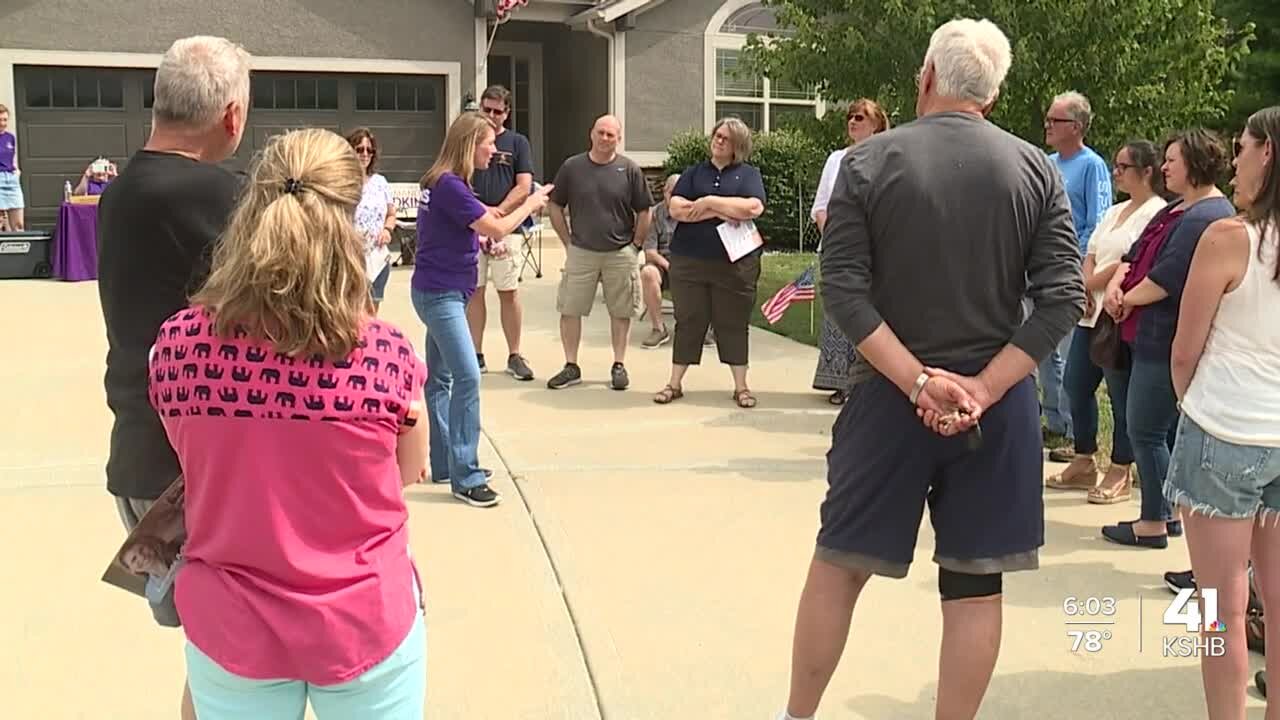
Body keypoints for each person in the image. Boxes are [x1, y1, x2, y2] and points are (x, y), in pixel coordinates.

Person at [778, 18, 1084, 720]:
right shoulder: (1036, 167)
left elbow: (844, 289)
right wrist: (982, 385)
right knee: (975, 588)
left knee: (841, 563)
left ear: (925, 77)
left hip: (887, 397)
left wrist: (917, 379)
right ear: (994, 95)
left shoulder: (867, 163)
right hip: (996, 404)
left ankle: (796, 715)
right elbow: (1064, 295)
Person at [149, 127, 429, 719]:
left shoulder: (178, 345)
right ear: (350, 217)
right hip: (362, 623)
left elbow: (185, 446)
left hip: (232, 624)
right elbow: (406, 473)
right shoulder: (383, 354)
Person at [96, 35, 250, 720]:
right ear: (232, 117)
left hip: (139, 460)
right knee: (234, 665)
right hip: (199, 475)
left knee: (216, 657)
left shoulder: (119, 191)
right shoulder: (231, 198)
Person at [1165, 106, 1279, 719]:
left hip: (1224, 430)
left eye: (1243, 147)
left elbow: (1186, 349)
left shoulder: (1229, 238)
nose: (1234, 161)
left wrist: (1192, 402)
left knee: (1218, 606)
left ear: (1269, 154)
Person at [1099, 129, 1235, 549]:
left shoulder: (1206, 216)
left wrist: (1125, 301)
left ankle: (1156, 520)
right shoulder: (1178, 209)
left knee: (1145, 429)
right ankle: (1166, 514)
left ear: (1193, 163)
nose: (1165, 167)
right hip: (1146, 333)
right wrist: (1118, 284)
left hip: (1166, 339)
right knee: (1152, 429)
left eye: (1173, 159)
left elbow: (1168, 278)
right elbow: (1135, 253)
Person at [412, 112, 552, 507]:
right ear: (469, 144)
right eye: (489, 143)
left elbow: (479, 224)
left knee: (439, 380)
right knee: (468, 377)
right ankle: (467, 476)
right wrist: (533, 202)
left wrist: (486, 240)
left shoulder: (446, 183)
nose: (496, 151)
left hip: (442, 291)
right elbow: (497, 226)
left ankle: (446, 463)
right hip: (441, 296)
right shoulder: (450, 185)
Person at [1045, 140, 1167, 502]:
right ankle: (1084, 458)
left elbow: (1129, 259)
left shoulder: (1155, 213)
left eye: (1123, 167)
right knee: (1076, 384)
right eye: (1115, 166)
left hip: (1118, 315)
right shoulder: (1116, 211)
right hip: (1089, 313)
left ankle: (1120, 468)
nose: (1116, 173)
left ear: (1146, 172)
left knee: (1119, 393)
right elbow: (1094, 251)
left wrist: (1092, 285)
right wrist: (1083, 287)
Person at [653, 118, 767, 409]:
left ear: (737, 146)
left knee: (733, 323)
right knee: (689, 320)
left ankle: (741, 387)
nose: (718, 141)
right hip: (689, 260)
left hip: (735, 264)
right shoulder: (694, 172)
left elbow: (753, 207)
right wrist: (726, 209)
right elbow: (676, 208)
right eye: (717, 135)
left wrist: (709, 202)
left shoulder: (748, 174)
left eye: (725, 139)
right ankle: (674, 383)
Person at [545, 115, 653, 391]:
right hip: (581, 251)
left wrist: (636, 246)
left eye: (611, 135)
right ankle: (571, 366)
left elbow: (644, 210)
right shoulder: (573, 167)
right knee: (570, 309)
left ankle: (619, 364)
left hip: (620, 252)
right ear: (591, 134)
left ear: (619, 138)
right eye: (601, 133)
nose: (605, 139)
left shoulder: (629, 170)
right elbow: (555, 206)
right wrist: (567, 242)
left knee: (621, 310)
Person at [1039, 91, 1113, 450]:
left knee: (1069, 357)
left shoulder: (1091, 166)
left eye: (1056, 120)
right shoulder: (1046, 163)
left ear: (1077, 127)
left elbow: (1097, 224)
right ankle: (1053, 420)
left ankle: (1073, 433)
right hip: (1040, 269)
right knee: (1042, 353)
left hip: (1071, 270)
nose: (1048, 125)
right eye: (1048, 118)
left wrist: (1082, 277)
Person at [810, 99, 891, 404]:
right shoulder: (836, 159)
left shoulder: (887, 156)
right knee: (838, 313)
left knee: (869, 314)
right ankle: (838, 381)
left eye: (861, 117)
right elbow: (821, 206)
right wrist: (835, 236)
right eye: (850, 117)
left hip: (875, 250)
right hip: (835, 248)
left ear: (877, 123)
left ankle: (868, 380)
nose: (853, 121)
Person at [468, 85, 536, 381]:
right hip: (471, 229)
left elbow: (524, 186)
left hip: (508, 230)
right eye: (487, 110)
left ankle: (514, 355)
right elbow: (458, 179)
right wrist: (482, 215)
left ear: (507, 112)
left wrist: (498, 214)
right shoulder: (467, 141)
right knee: (475, 291)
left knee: (508, 292)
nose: (492, 116)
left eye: (498, 111)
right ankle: (475, 355)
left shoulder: (518, 143)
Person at [347, 128, 396, 313]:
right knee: (350, 312)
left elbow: (391, 214)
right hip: (350, 257)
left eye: (369, 150)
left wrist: (387, 230)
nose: (365, 154)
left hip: (377, 258)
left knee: (371, 314)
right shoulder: (341, 182)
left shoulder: (380, 182)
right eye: (359, 149)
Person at [640, 173, 680, 348]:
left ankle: (696, 327)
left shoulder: (692, 213)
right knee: (648, 272)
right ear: (665, 192)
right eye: (673, 193)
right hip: (662, 263)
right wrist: (670, 266)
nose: (678, 198)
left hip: (686, 264)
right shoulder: (655, 214)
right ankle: (658, 328)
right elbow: (650, 252)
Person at [0, 105, 24, 230]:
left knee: (18, 225)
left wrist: (16, 170)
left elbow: (11, 157)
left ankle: (20, 248)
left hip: (12, 180)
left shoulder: (10, 138)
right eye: (0, 120)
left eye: (5, 120)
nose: (2, 123)